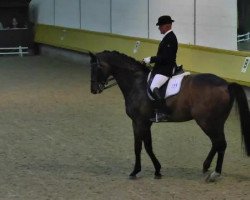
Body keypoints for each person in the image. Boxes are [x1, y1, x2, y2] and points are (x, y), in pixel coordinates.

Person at [143, 15, 178, 122]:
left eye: (160, 26)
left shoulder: (171, 38)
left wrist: (151, 59)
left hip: (166, 69)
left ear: (167, 26)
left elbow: (166, 58)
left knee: (154, 85)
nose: (159, 28)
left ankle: (164, 112)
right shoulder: (167, 37)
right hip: (161, 67)